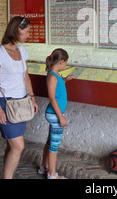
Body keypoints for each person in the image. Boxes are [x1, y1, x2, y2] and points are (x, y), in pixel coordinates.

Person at [0, 16, 38, 179]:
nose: (28, 35)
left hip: (21, 102)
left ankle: (6, 175)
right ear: (16, 30)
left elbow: (26, 77)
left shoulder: (22, 51)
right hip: (6, 103)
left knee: (12, 145)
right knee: (18, 145)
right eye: (26, 31)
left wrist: (32, 98)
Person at [38, 48, 75, 179]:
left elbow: (58, 87)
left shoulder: (56, 75)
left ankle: (43, 166)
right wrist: (61, 117)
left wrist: (66, 80)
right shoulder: (52, 76)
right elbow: (52, 98)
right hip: (55, 115)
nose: (65, 66)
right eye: (65, 63)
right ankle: (52, 174)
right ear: (61, 62)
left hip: (54, 114)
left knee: (49, 142)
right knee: (54, 145)